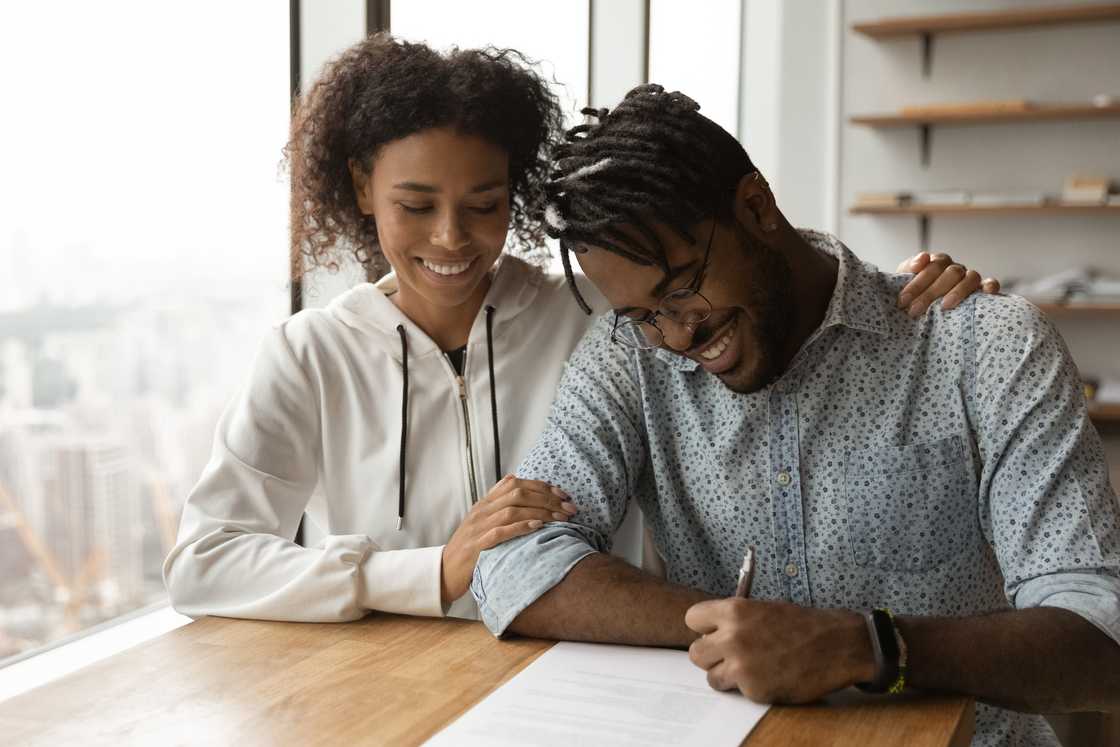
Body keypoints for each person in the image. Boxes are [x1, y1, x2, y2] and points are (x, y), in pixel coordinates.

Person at [162, 36, 993, 624]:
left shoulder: (598, 315)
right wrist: (427, 573)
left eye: (484, 205)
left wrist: (905, 295)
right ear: (361, 188)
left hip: (591, 677)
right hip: (390, 688)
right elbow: (204, 563)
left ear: (514, 196)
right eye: (416, 206)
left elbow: (741, 285)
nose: (451, 238)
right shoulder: (309, 354)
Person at [470, 85, 1120, 746]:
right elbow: (514, 564)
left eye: (682, 287)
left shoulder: (983, 345)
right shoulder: (628, 359)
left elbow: (1102, 641)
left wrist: (872, 647)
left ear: (756, 206)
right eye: (643, 315)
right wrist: (728, 623)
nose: (675, 337)